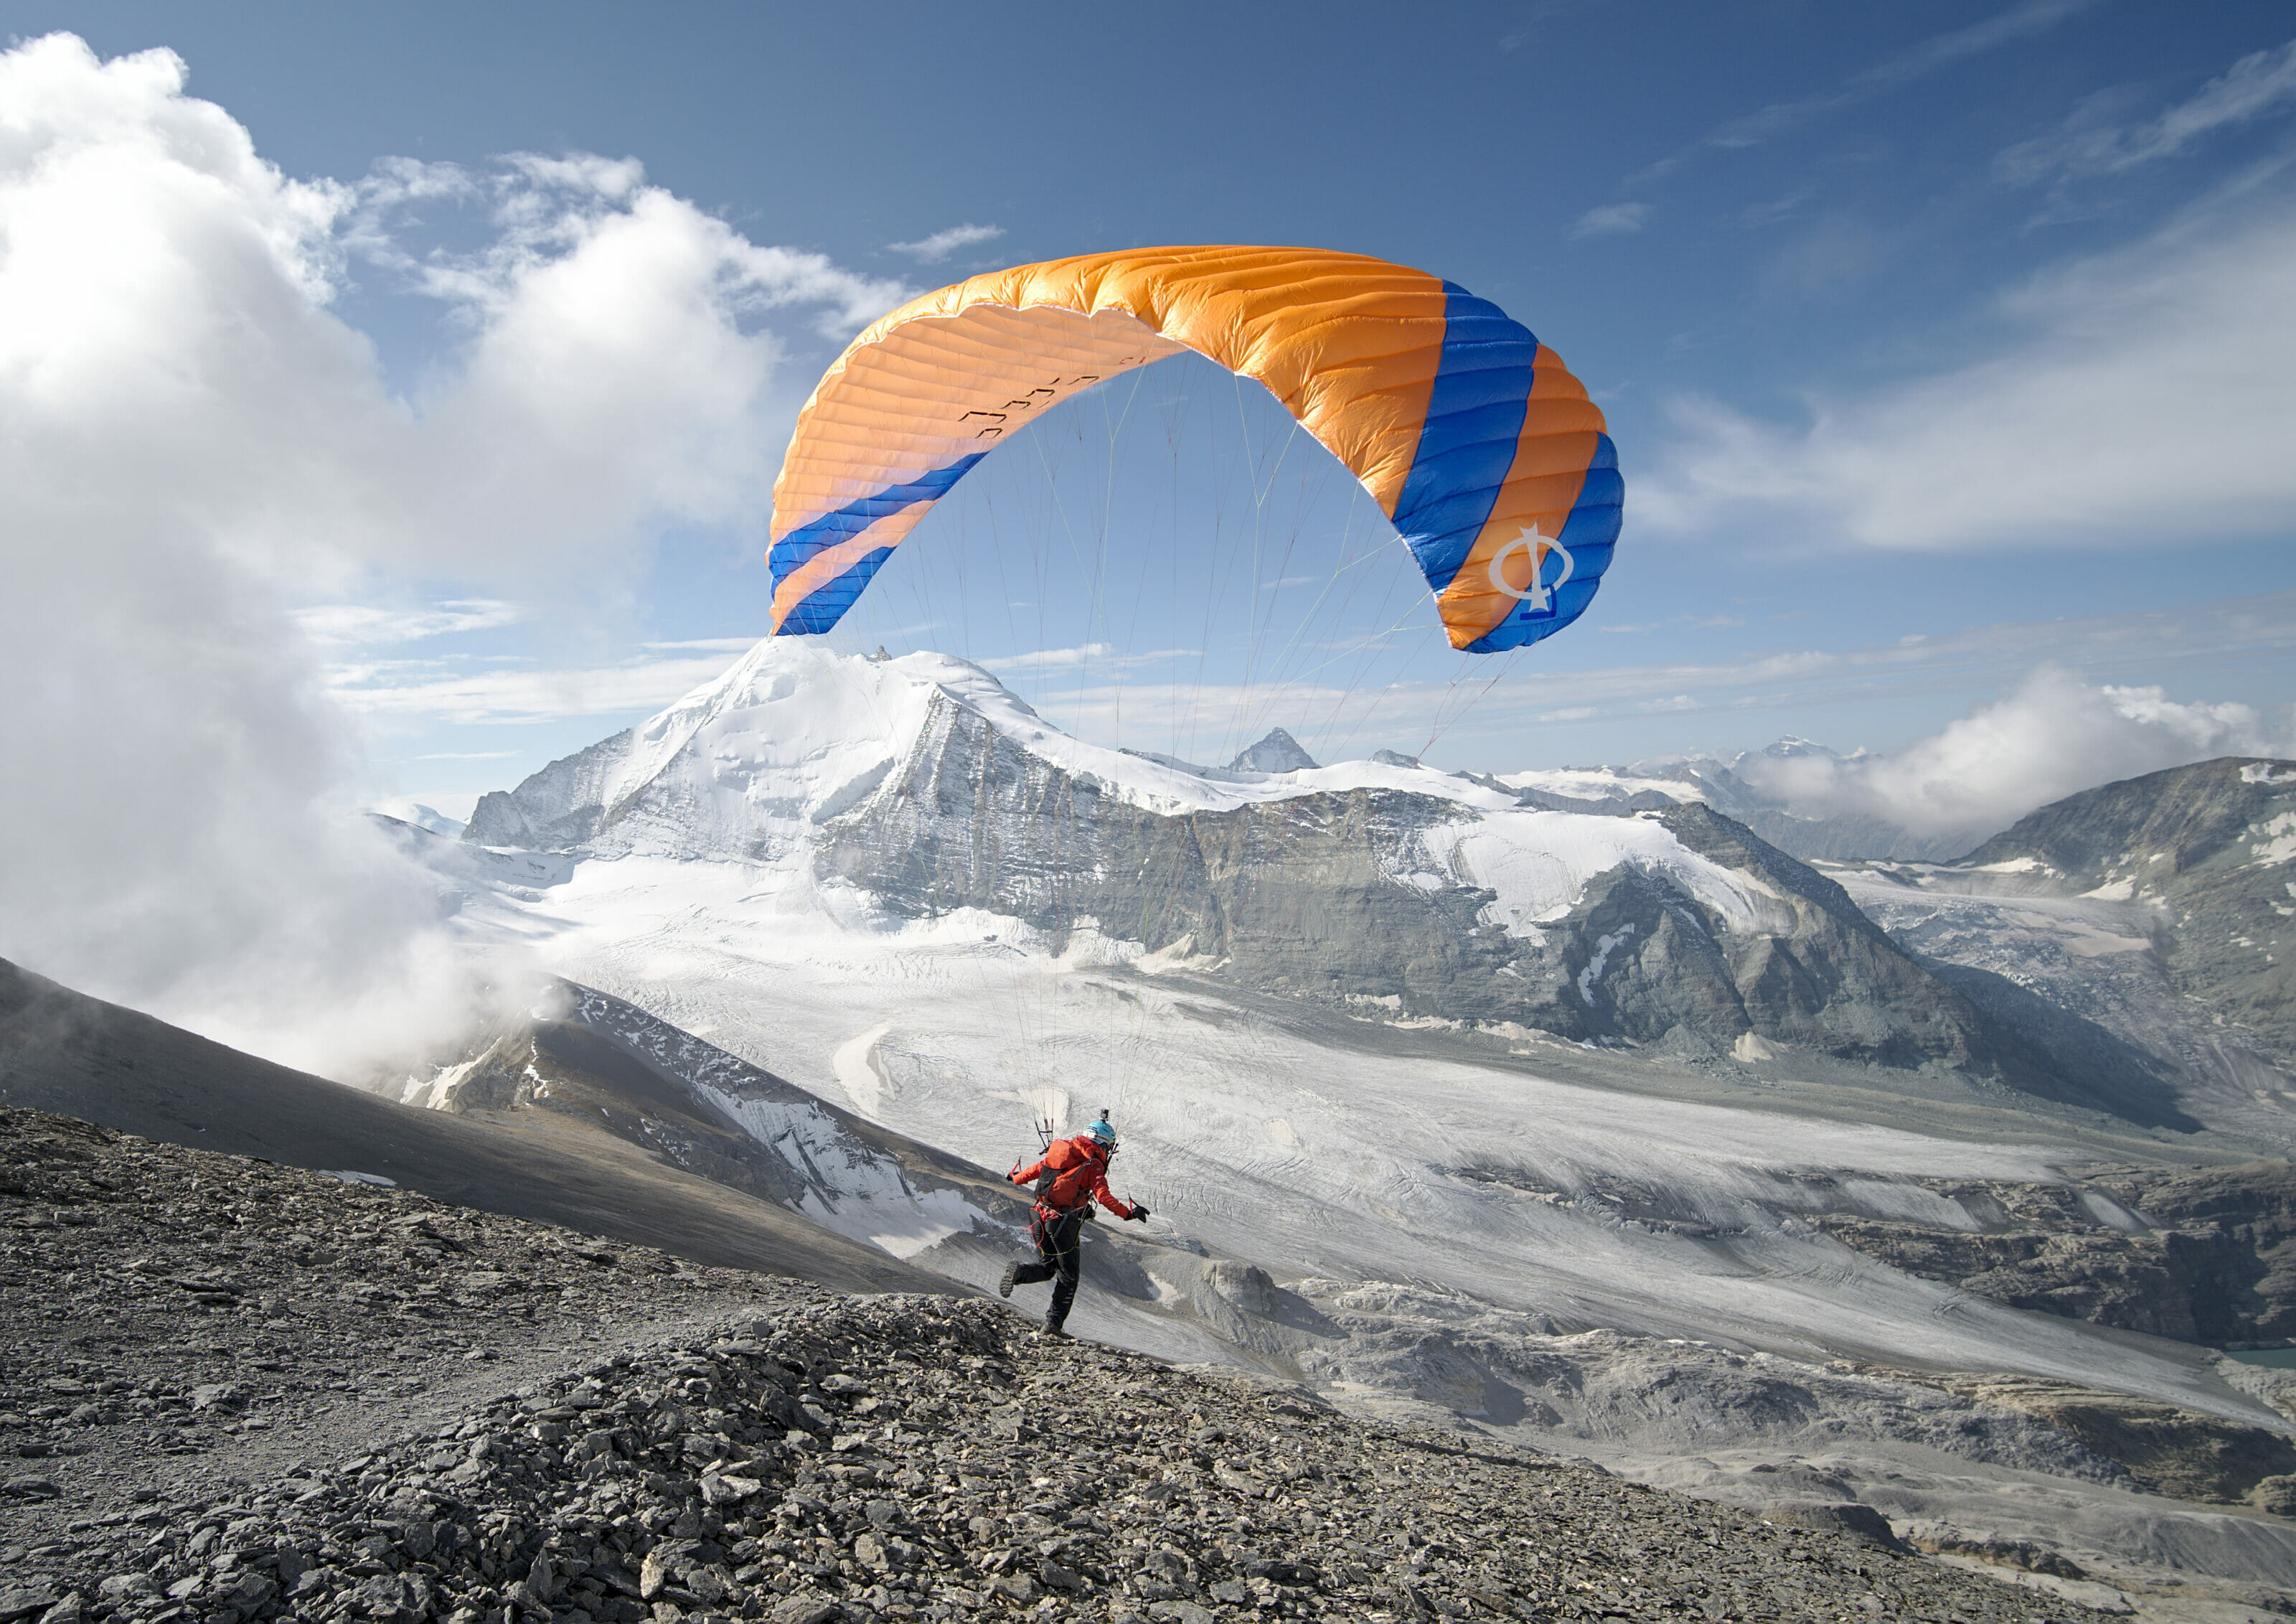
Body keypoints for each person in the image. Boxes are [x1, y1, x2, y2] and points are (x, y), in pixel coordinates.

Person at [999, 1114, 1148, 1336]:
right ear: (1104, 1145)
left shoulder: (1062, 1151)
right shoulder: (1093, 1164)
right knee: (1069, 1277)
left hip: (1037, 1218)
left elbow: (1035, 1170)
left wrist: (1016, 1177)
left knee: (1049, 1267)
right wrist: (1128, 1214)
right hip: (1061, 1225)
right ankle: (1052, 1327)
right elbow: (1103, 1196)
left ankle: (1020, 1272)